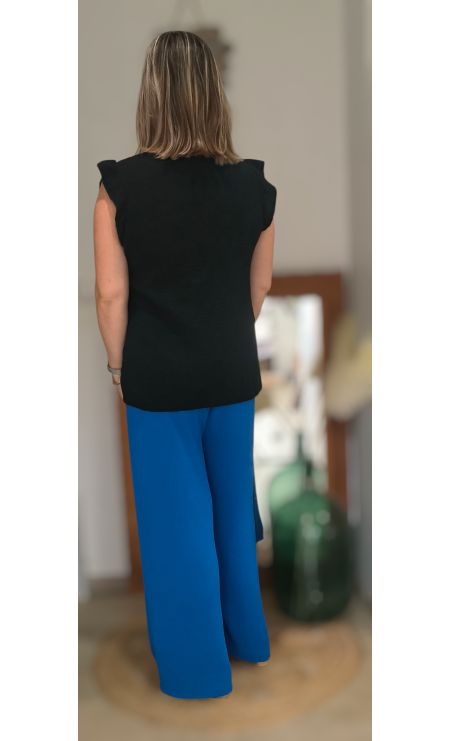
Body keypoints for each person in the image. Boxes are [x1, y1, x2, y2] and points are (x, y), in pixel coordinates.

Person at [93, 30, 277, 700]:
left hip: (158, 383)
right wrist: (222, 340)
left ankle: (199, 674)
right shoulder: (255, 186)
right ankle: (246, 640)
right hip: (231, 376)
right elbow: (258, 287)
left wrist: (119, 369)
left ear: (151, 94)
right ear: (214, 95)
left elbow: (111, 295)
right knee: (231, 512)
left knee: (179, 529)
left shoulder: (118, 187)